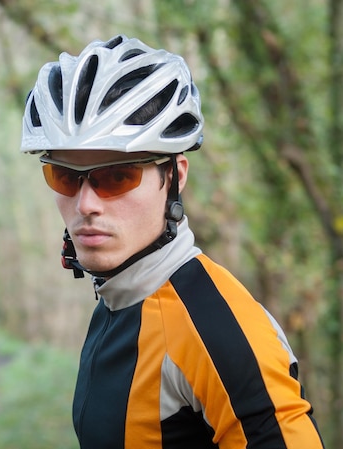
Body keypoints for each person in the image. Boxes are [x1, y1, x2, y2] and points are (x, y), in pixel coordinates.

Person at [19, 35, 324, 448]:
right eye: (65, 176)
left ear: (175, 176)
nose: (86, 203)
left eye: (117, 177)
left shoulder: (219, 331)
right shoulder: (118, 297)